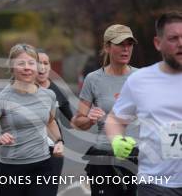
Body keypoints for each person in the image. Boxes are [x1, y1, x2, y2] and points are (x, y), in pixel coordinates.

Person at [106, 11, 182, 196]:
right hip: (156, 183)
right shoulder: (139, 80)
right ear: (158, 43)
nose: (181, 43)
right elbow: (115, 120)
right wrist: (116, 139)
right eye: (173, 38)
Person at [0, 43, 64, 196]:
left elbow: (50, 122)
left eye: (31, 63)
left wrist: (59, 141)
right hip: (11, 171)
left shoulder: (48, 95)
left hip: (42, 167)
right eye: (21, 63)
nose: (27, 67)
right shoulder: (2, 99)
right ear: (12, 67)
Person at [71, 24, 138, 196]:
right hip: (105, 158)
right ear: (107, 47)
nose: (126, 49)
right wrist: (90, 119)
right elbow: (78, 122)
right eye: (120, 44)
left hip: (138, 157)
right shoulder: (93, 79)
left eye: (129, 44)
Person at [36, 49, 73, 195]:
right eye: (38, 63)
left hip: (53, 149)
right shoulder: (22, 90)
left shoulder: (56, 90)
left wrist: (88, 118)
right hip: (28, 150)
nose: (42, 67)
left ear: (50, 67)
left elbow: (70, 120)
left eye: (46, 63)